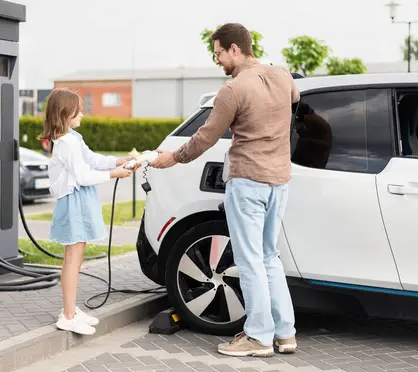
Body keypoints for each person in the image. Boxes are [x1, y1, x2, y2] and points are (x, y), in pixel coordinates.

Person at [150, 23, 299, 357]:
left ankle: (259, 337)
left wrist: (173, 158)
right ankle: (285, 333)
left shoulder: (232, 91)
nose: (216, 60)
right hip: (279, 181)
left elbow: (206, 137)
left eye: (218, 52)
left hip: (248, 181)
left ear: (235, 49)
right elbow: (296, 98)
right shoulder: (283, 76)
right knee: (269, 257)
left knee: (250, 262)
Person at [38, 88, 137, 335]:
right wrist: (115, 173)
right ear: (64, 113)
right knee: (73, 258)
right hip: (74, 204)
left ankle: (71, 309)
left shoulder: (73, 138)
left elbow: (91, 160)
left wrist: (117, 161)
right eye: (78, 110)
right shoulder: (67, 143)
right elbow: (83, 175)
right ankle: (68, 315)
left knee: (76, 257)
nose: (82, 113)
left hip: (79, 202)